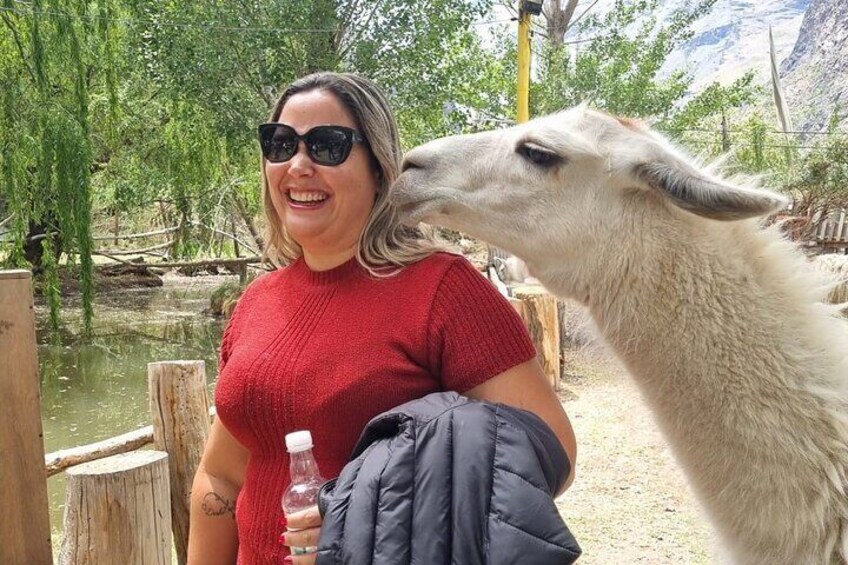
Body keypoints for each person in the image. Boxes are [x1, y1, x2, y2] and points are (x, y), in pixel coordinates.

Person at [187, 72, 577, 565]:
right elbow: (222, 474)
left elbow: (550, 455)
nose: (299, 164)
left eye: (327, 146)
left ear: (379, 170)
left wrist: (367, 518)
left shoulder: (443, 290)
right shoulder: (255, 302)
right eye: (280, 143)